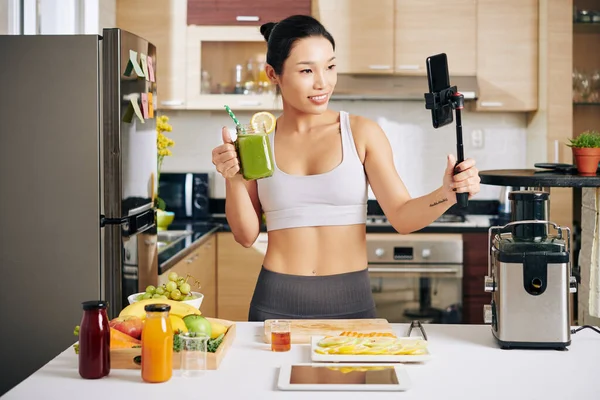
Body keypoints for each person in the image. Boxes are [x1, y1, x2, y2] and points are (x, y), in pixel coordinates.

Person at [211, 15, 481, 322]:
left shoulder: (362, 133)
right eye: (306, 70)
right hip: (275, 300)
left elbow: (403, 216)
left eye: (330, 66)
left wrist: (447, 193)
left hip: (350, 301)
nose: (322, 82)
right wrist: (232, 179)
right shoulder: (258, 141)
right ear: (273, 74)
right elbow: (246, 236)